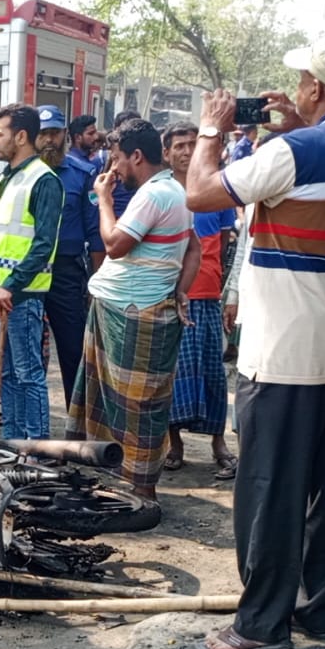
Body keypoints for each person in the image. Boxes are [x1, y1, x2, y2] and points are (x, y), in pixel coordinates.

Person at [185, 38, 325, 649]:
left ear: (313, 87)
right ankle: (317, 609)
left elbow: (200, 194)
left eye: (303, 81)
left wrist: (210, 130)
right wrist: (302, 124)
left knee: (271, 487)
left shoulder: (292, 152)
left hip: (287, 350)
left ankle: (259, 624)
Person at [71, 118, 198, 501]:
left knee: (138, 406)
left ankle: (143, 492)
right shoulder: (176, 191)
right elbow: (195, 249)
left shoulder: (154, 195)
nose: (112, 169)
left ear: (137, 156)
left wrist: (105, 201)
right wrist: (179, 291)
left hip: (134, 313)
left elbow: (113, 245)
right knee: (111, 400)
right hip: (128, 307)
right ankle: (120, 480)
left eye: (117, 159)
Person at [0, 104, 63, 440]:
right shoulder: (5, 178)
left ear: (21, 136)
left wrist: (12, 285)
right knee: (3, 373)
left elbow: (43, 244)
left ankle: (36, 448)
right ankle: (12, 442)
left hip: (21, 296)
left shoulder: (43, 180)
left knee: (27, 374)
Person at [157, 121, 237, 480]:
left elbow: (223, 245)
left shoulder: (217, 188)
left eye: (193, 143)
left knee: (212, 372)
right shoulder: (161, 190)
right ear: (166, 152)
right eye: (180, 145)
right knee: (173, 371)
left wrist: (224, 292)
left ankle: (219, 444)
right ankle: (175, 445)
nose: (187, 151)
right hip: (168, 292)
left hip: (206, 293)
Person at [36, 104, 104, 405]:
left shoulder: (83, 174)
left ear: (66, 135)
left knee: (73, 350)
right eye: (44, 134)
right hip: (28, 271)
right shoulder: (22, 174)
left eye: (55, 133)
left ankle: (77, 424)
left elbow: (95, 233)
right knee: (26, 351)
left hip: (66, 272)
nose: (50, 140)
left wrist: (96, 283)